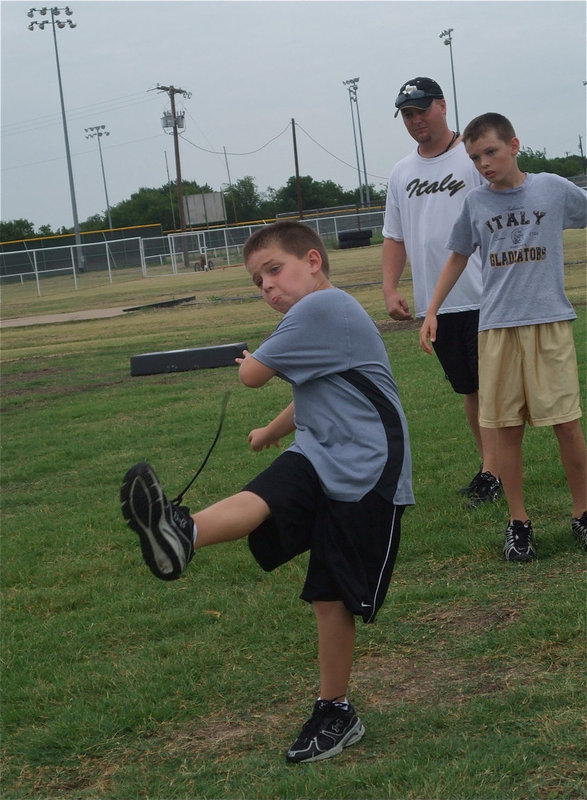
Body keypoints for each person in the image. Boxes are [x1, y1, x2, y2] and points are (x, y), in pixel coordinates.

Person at [120, 221, 414, 762]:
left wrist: (255, 361)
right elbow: (315, 390)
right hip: (321, 450)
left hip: (367, 466)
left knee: (332, 596)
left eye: (274, 270)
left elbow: (251, 376)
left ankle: (337, 710)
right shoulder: (320, 318)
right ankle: (180, 533)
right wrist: (271, 433)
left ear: (313, 261)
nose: (267, 288)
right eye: (258, 282)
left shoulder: (322, 308)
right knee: (269, 491)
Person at [419, 112, 587, 562]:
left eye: (491, 152)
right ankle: (519, 524)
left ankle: (582, 514)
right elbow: (456, 257)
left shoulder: (552, 188)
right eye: (475, 157)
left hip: (548, 323)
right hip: (496, 330)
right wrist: (431, 310)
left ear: (514, 145)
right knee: (507, 431)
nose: (484, 164)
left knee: (567, 426)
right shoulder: (476, 204)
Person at [382, 77, 500, 506]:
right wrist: (390, 286)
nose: (415, 120)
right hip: (439, 304)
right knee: (470, 389)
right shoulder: (401, 172)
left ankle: (493, 472)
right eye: (407, 114)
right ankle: (490, 468)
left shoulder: (472, 159)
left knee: (492, 390)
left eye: (421, 110)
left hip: (485, 294)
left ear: (442, 106)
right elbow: (394, 236)